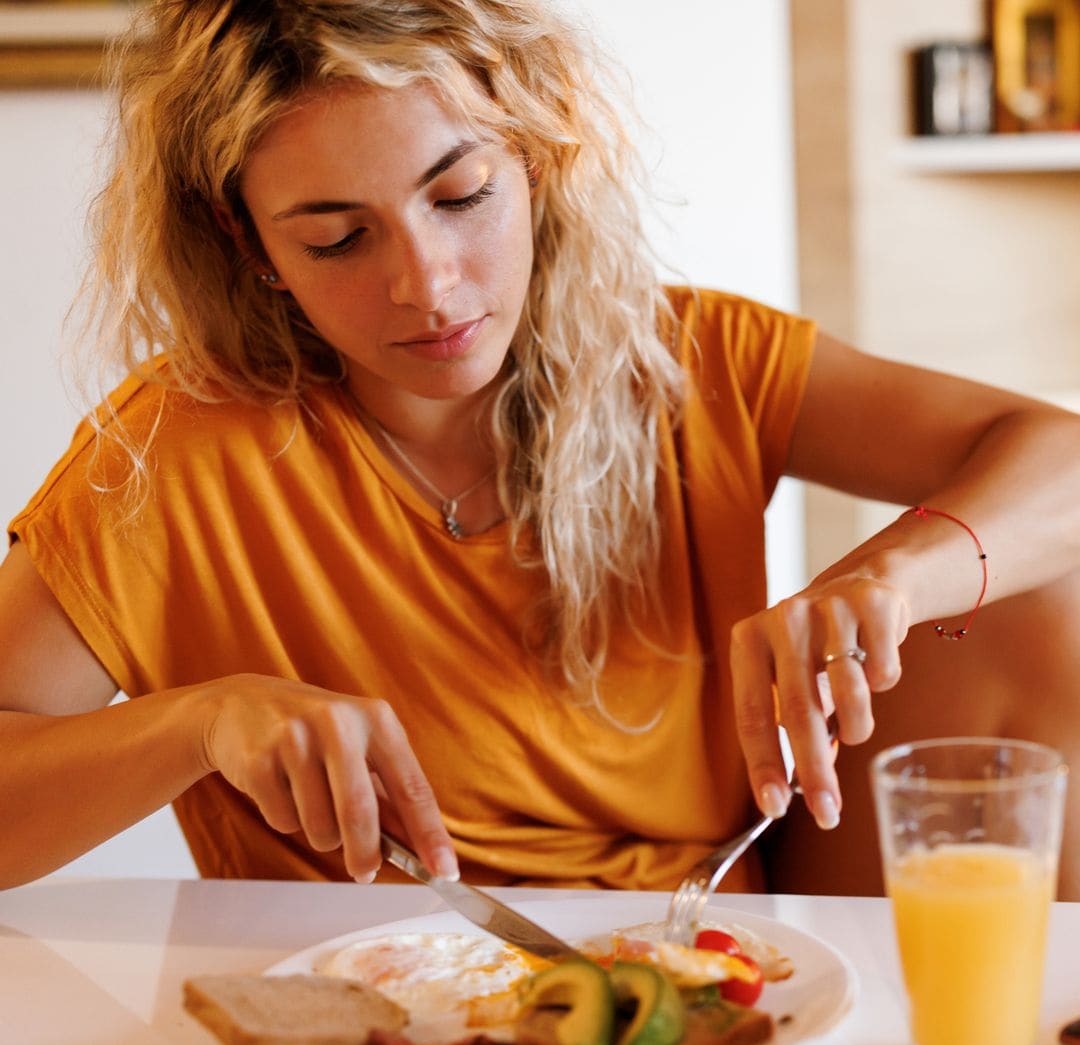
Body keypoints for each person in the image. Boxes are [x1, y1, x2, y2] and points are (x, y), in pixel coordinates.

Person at [1, 0, 1078, 898]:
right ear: (251, 244)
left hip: (718, 949)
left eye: (461, 196)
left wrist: (894, 574)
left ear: (535, 156)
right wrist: (195, 724)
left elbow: (1057, 459)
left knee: (1036, 588)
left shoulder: (691, 356)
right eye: (337, 238)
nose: (428, 285)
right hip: (380, 991)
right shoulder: (177, 446)